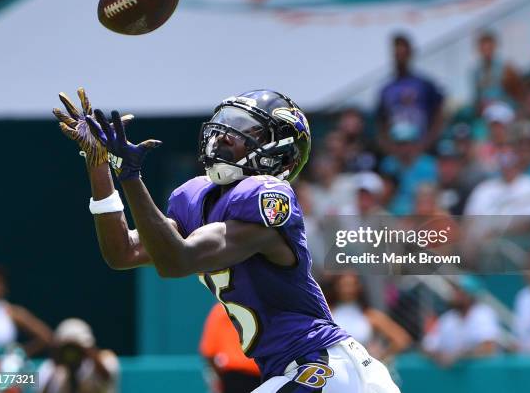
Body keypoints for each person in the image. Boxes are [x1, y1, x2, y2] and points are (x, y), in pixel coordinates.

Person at [53, 88, 400, 393]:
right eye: (227, 123)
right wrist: (98, 165)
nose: (225, 135)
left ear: (279, 153)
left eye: (245, 130)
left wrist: (131, 177)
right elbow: (122, 253)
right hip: (299, 370)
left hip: (327, 366)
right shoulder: (196, 198)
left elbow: (179, 260)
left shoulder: (266, 197)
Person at [377, 33, 444, 153]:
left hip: (421, 149)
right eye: (397, 54)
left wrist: (427, 143)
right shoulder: (386, 89)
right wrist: (390, 148)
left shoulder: (425, 85)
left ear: (410, 54)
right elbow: (382, 123)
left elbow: (439, 115)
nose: (400, 58)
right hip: (397, 151)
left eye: (403, 53)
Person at [327, 273, 411, 362]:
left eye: (352, 285)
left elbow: (401, 339)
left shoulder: (369, 315)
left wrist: (379, 358)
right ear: (336, 286)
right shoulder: (326, 313)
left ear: (359, 287)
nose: (348, 290)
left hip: (361, 370)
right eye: (344, 285)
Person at [422, 276, 501, 367]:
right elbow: (426, 347)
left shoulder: (484, 314)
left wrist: (458, 356)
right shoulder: (447, 319)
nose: (455, 295)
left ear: (470, 295)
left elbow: (488, 348)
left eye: (459, 291)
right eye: (455, 291)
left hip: (485, 377)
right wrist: (439, 355)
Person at [37, 318, 119, 393]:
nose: (73, 352)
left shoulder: (105, 359)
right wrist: (57, 361)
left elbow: (107, 376)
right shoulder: (49, 368)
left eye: (77, 349)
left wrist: (83, 346)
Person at [200, 303, 261, 393]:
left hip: (232, 376)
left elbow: (209, 352)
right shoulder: (262, 307)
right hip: (258, 375)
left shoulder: (220, 310)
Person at [471, 30, 522, 111]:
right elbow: (476, 97)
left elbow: (517, 93)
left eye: (489, 48)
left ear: (494, 47)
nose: (487, 53)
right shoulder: (476, 72)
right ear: (479, 50)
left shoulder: (506, 67)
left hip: (506, 109)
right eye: (484, 49)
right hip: (487, 112)